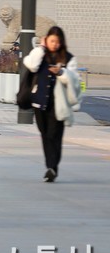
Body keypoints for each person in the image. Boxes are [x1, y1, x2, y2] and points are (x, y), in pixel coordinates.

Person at [22, 25, 81, 183]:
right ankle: (51, 167)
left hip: (58, 104)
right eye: (52, 41)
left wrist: (61, 72)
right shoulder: (41, 54)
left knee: (54, 135)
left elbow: (75, 80)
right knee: (45, 134)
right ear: (46, 40)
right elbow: (31, 65)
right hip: (40, 102)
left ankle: (52, 167)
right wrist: (41, 48)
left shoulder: (68, 58)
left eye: (58, 41)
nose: (55, 44)